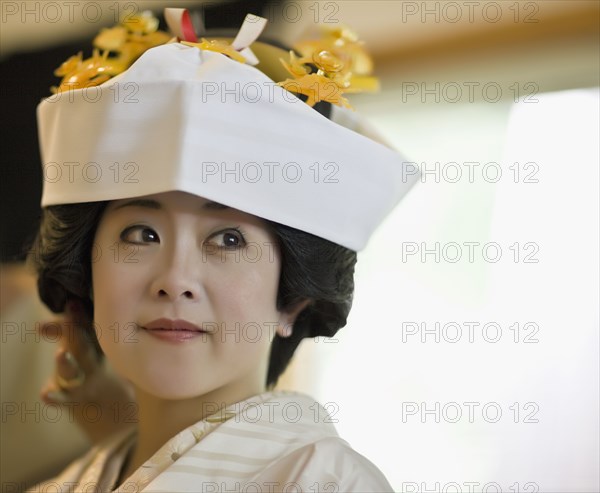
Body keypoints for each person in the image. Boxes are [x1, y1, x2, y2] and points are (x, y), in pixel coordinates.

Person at [28, 8, 419, 492]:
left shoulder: (324, 482)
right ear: (87, 273)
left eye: (228, 240)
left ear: (293, 298)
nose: (175, 278)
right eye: (141, 234)